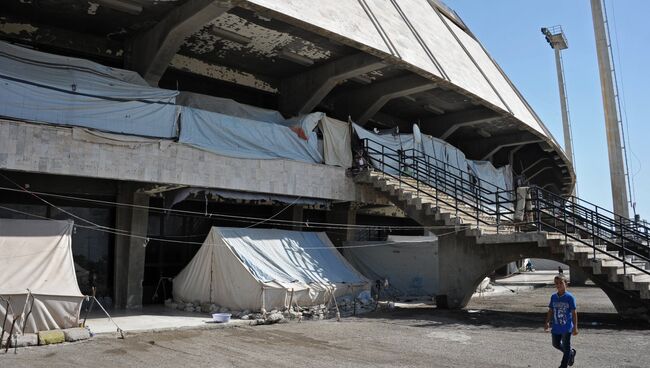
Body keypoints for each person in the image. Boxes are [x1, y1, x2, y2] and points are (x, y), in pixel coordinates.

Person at [545, 274, 578, 368]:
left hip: (566, 327)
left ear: (565, 284)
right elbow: (550, 310)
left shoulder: (569, 297)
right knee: (555, 344)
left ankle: (563, 365)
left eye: (560, 283)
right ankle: (571, 353)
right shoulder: (553, 297)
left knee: (566, 346)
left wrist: (575, 327)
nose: (558, 285)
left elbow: (574, 312)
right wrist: (547, 322)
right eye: (556, 283)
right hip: (556, 326)